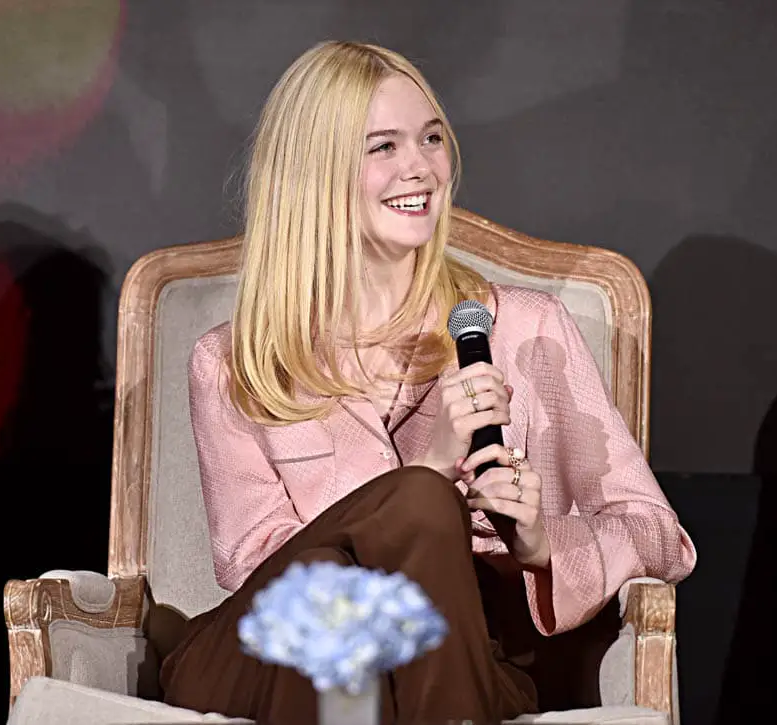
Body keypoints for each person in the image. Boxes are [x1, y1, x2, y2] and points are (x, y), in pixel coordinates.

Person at [160, 40, 697, 724]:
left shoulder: (525, 331)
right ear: (313, 173)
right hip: (263, 656)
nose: (420, 167)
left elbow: (659, 536)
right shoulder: (237, 360)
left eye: (432, 138)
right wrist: (433, 472)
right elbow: (255, 567)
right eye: (383, 146)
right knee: (369, 548)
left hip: (464, 660)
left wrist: (540, 543)